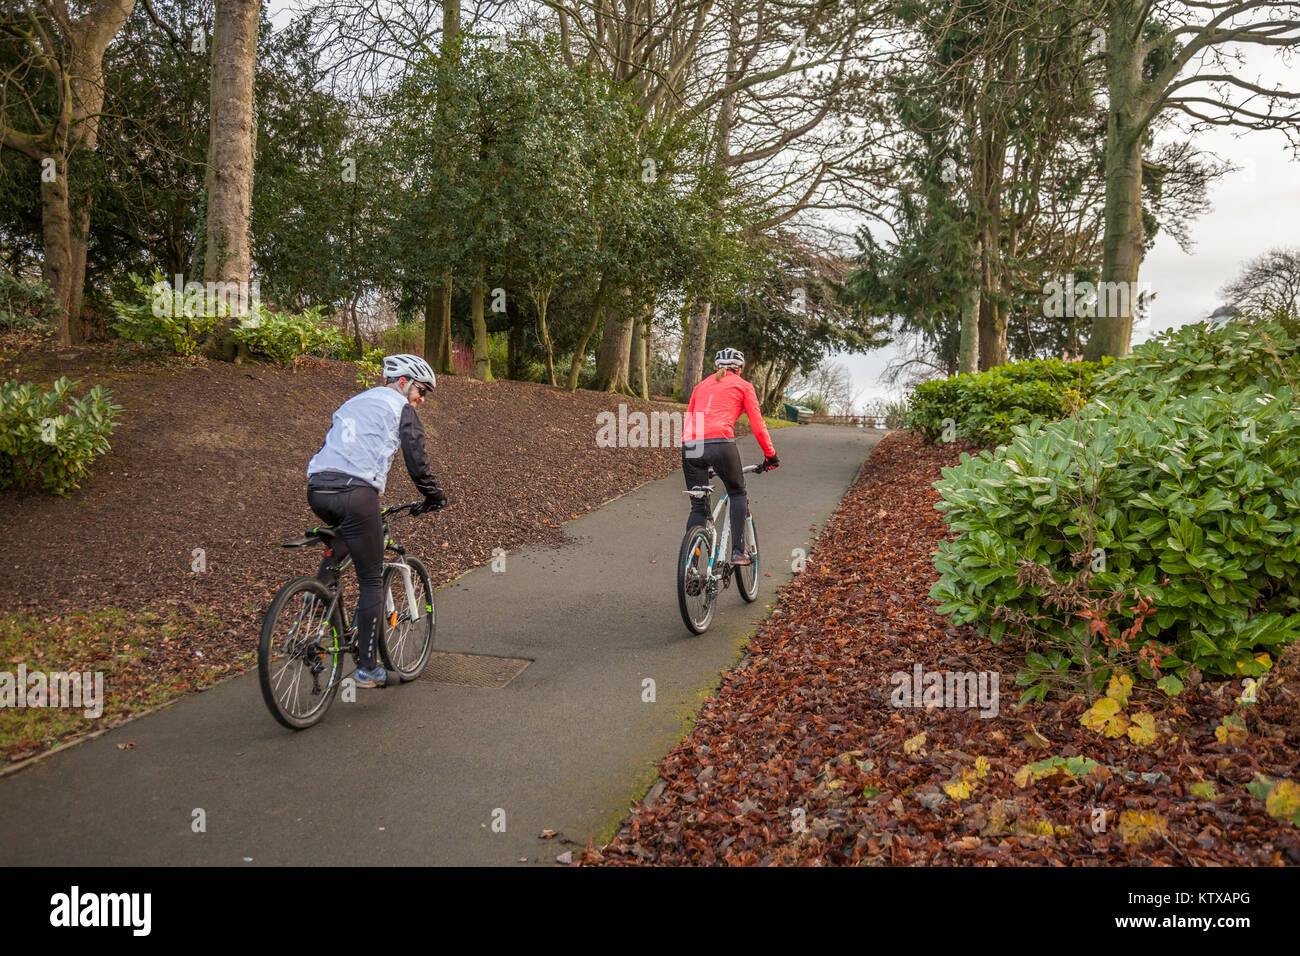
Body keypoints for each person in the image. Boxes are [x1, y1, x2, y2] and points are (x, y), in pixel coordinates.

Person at [305, 354, 448, 688]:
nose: (422, 398)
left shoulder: (353, 403)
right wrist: (433, 495)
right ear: (402, 383)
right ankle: (368, 668)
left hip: (318, 488)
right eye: (421, 390)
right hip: (357, 493)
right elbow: (417, 461)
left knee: (344, 538)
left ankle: (314, 601)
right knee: (371, 579)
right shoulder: (402, 409)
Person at [680, 347, 780, 566]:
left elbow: (690, 422)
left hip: (691, 446)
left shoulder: (700, 386)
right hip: (721, 444)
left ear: (716, 367)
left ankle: (691, 568)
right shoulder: (744, 386)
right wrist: (770, 456)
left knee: (698, 507)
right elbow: (758, 425)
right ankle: (738, 552)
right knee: (737, 493)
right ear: (740, 368)